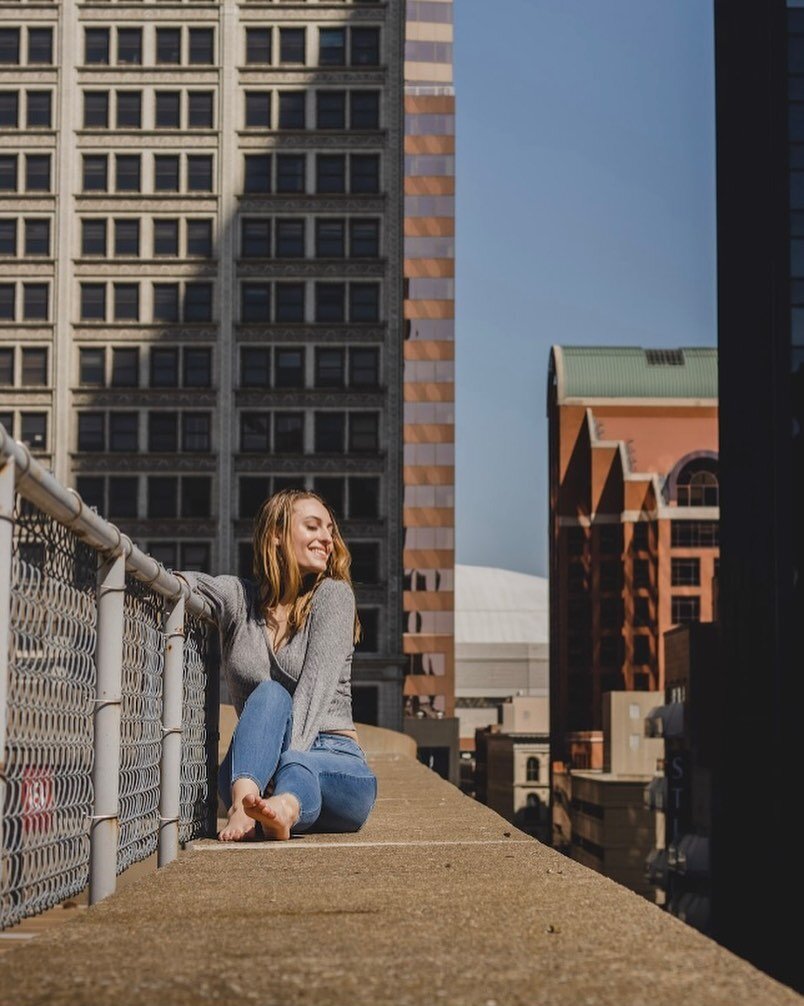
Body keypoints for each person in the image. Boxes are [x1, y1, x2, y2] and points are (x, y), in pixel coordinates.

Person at [176, 488, 377, 842]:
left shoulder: (333, 595)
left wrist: (281, 769)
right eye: (313, 527)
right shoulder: (241, 600)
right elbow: (188, 585)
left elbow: (315, 692)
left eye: (330, 530)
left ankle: (281, 809)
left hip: (331, 760)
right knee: (269, 694)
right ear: (276, 535)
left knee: (300, 767)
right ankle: (244, 806)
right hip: (252, 772)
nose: (327, 539)